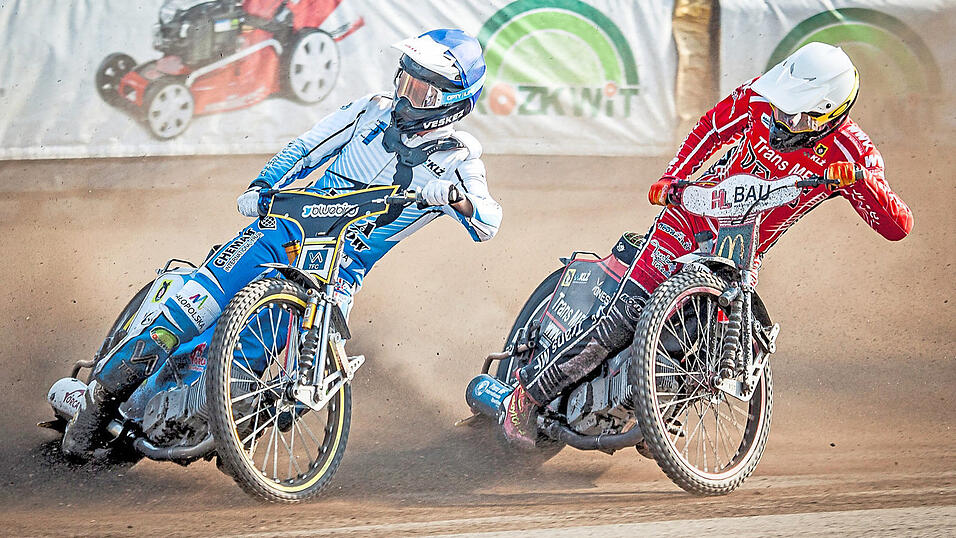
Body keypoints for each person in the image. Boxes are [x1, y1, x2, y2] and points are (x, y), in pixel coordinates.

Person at [62, 28, 501, 459]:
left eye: (422, 91)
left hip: (335, 274)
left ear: (453, 101)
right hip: (283, 230)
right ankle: (99, 399)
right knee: (196, 306)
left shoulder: (458, 157)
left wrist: (456, 198)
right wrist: (264, 184)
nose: (406, 98)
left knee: (263, 373)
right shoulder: (371, 110)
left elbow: (488, 222)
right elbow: (306, 148)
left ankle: (213, 423)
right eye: (405, 80)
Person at [501, 42, 914, 449]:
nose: (782, 119)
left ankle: (658, 410)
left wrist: (861, 181)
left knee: (711, 341)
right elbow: (711, 128)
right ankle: (527, 397)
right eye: (781, 107)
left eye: (796, 114)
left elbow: (897, 226)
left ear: (830, 113)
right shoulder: (760, 97)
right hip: (689, 218)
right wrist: (673, 177)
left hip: (741, 250)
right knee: (624, 316)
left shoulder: (855, 153)